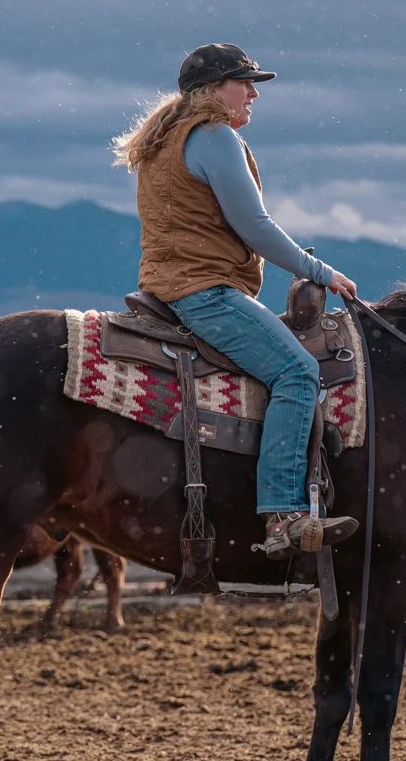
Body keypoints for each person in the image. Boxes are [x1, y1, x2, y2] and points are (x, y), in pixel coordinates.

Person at [113, 43, 358, 560]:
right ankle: (283, 515)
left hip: (169, 287)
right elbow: (255, 227)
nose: (253, 93)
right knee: (296, 372)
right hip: (204, 291)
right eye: (243, 82)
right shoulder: (213, 137)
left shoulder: (163, 141)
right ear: (210, 91)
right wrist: (320, 272)